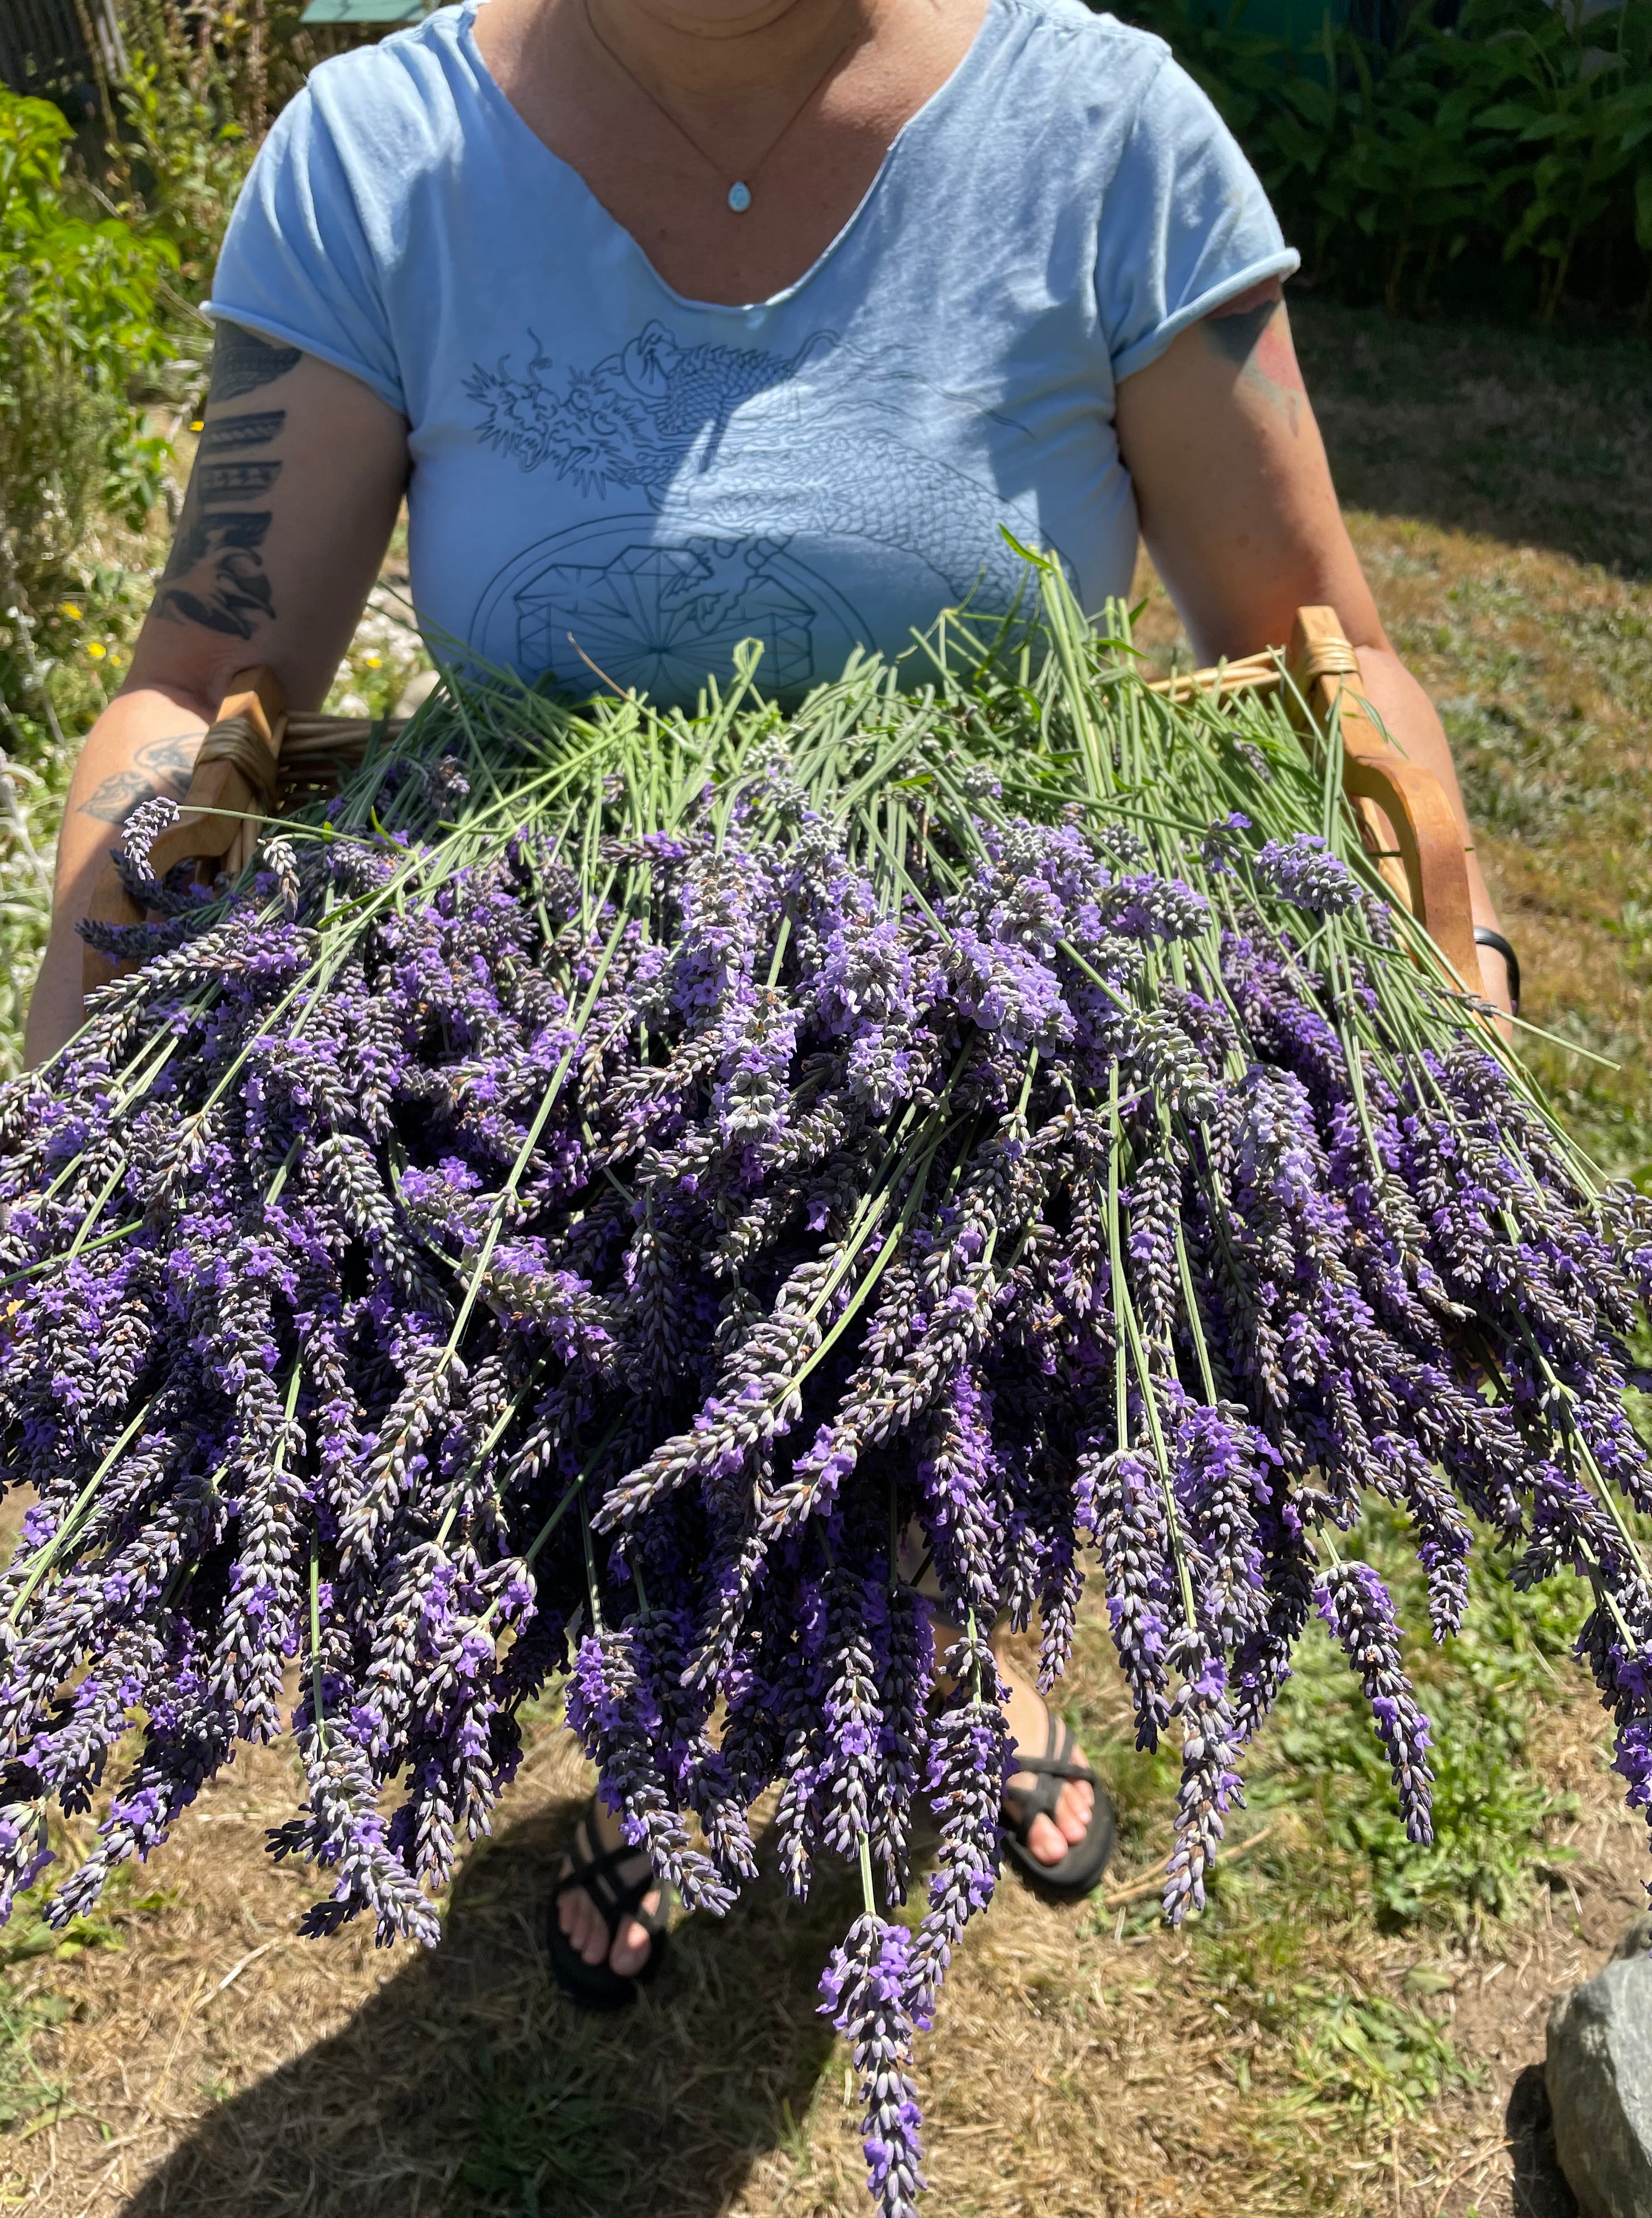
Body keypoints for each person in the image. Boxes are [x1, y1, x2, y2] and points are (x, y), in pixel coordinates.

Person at [24, 0, 1514, 2003]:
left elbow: (1310, 642)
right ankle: (669, 1756)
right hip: (574, 1077)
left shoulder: (1098, 132)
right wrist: (101, 1019)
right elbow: (207, 668)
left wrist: (1450, 982)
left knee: (955, 1396)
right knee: (667, 1449)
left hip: (980, 1056)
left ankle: (971, 1649)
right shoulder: (382, 156)